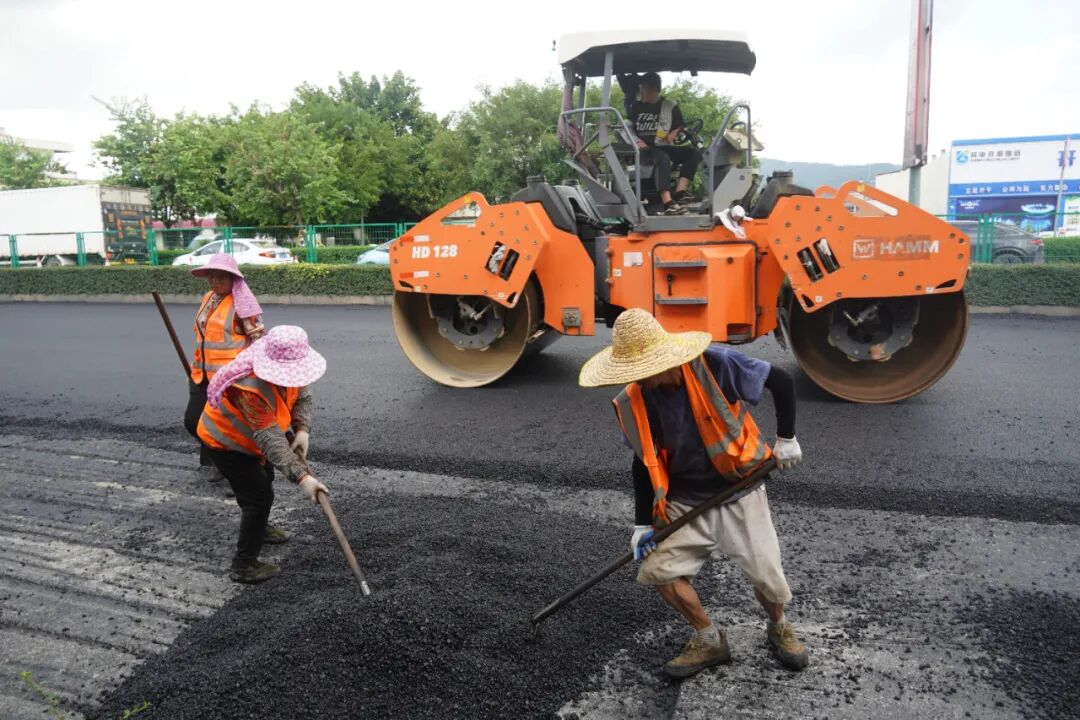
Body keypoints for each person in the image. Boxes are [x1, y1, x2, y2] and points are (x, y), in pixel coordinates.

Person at [578, 308, 808, 679]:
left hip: (739, 489)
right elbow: (643, 461)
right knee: (659, 571)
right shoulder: (636, 399)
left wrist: (786, 439)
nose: (639, 380)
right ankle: (708, 638)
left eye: (643, 371)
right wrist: (642, 523)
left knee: (767, 576)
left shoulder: (715, 365)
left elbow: (780, 380)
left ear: (664, 359)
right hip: (684, 500)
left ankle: (778, 625)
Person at [198, 325, 328, 584]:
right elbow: (270, 438)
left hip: (252, 442)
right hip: (226, 443)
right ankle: (244, 565)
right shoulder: (249, 387)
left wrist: (302, 430)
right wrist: (303, 478)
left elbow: (303, 397)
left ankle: (260, 528)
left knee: (265, 480)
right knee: (257, 497)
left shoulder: (296, 366)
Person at [183, 254, 266, 485]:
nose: (215, 282)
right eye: (211, 277)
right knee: (194, 421)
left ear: (233, 280)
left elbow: (259, 341)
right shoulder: (208, 298)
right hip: (202, 376)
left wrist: (256, 376)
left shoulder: (243, 305)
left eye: (221, 278)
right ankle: (222, 461)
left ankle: (242, 472)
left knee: (233, 428)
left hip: (231, 379)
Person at [621, 72, 703, 215]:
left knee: (692, 153)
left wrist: (674, 132)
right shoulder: (636, 107)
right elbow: (627, 127)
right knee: (663, 157)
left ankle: (680, 194)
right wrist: (636, 140)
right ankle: (668, 203)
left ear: (654, 88)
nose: (641, 92)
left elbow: (680, 125)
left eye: (643, 88)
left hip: (662, 146)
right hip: (643, 149)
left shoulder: (669, 107)